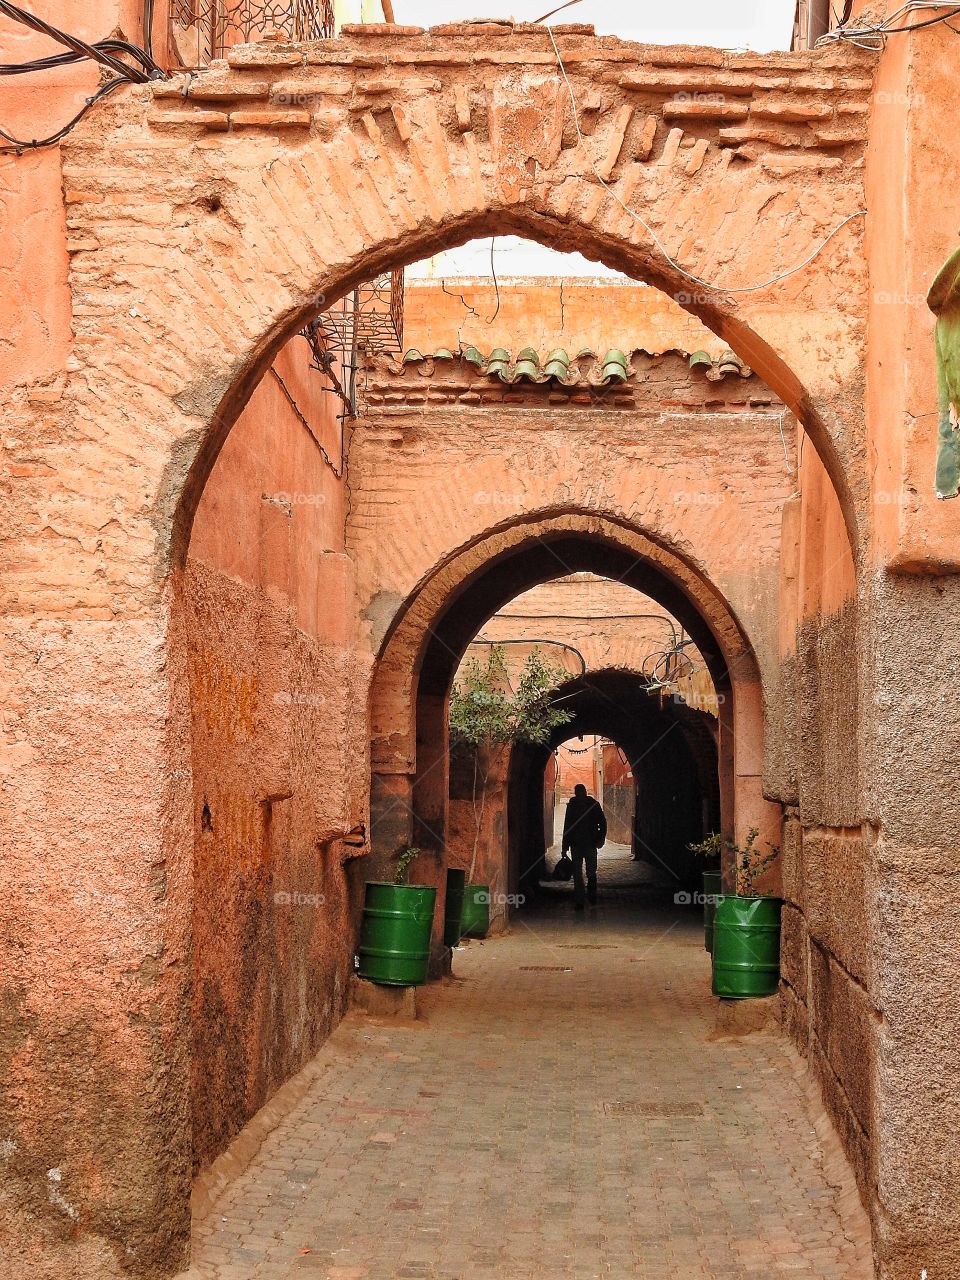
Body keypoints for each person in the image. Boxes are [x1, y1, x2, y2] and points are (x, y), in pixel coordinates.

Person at [561, 784, 607, 910]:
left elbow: (567, 827)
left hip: (581, 844)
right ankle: (589, 897)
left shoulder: (576, 806)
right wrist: (600, 838)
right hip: (585, 844)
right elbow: (602, 822)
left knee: (580, 872)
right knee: (588, 872)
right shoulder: (592, 805)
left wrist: (564, 847)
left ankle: (582, 900)